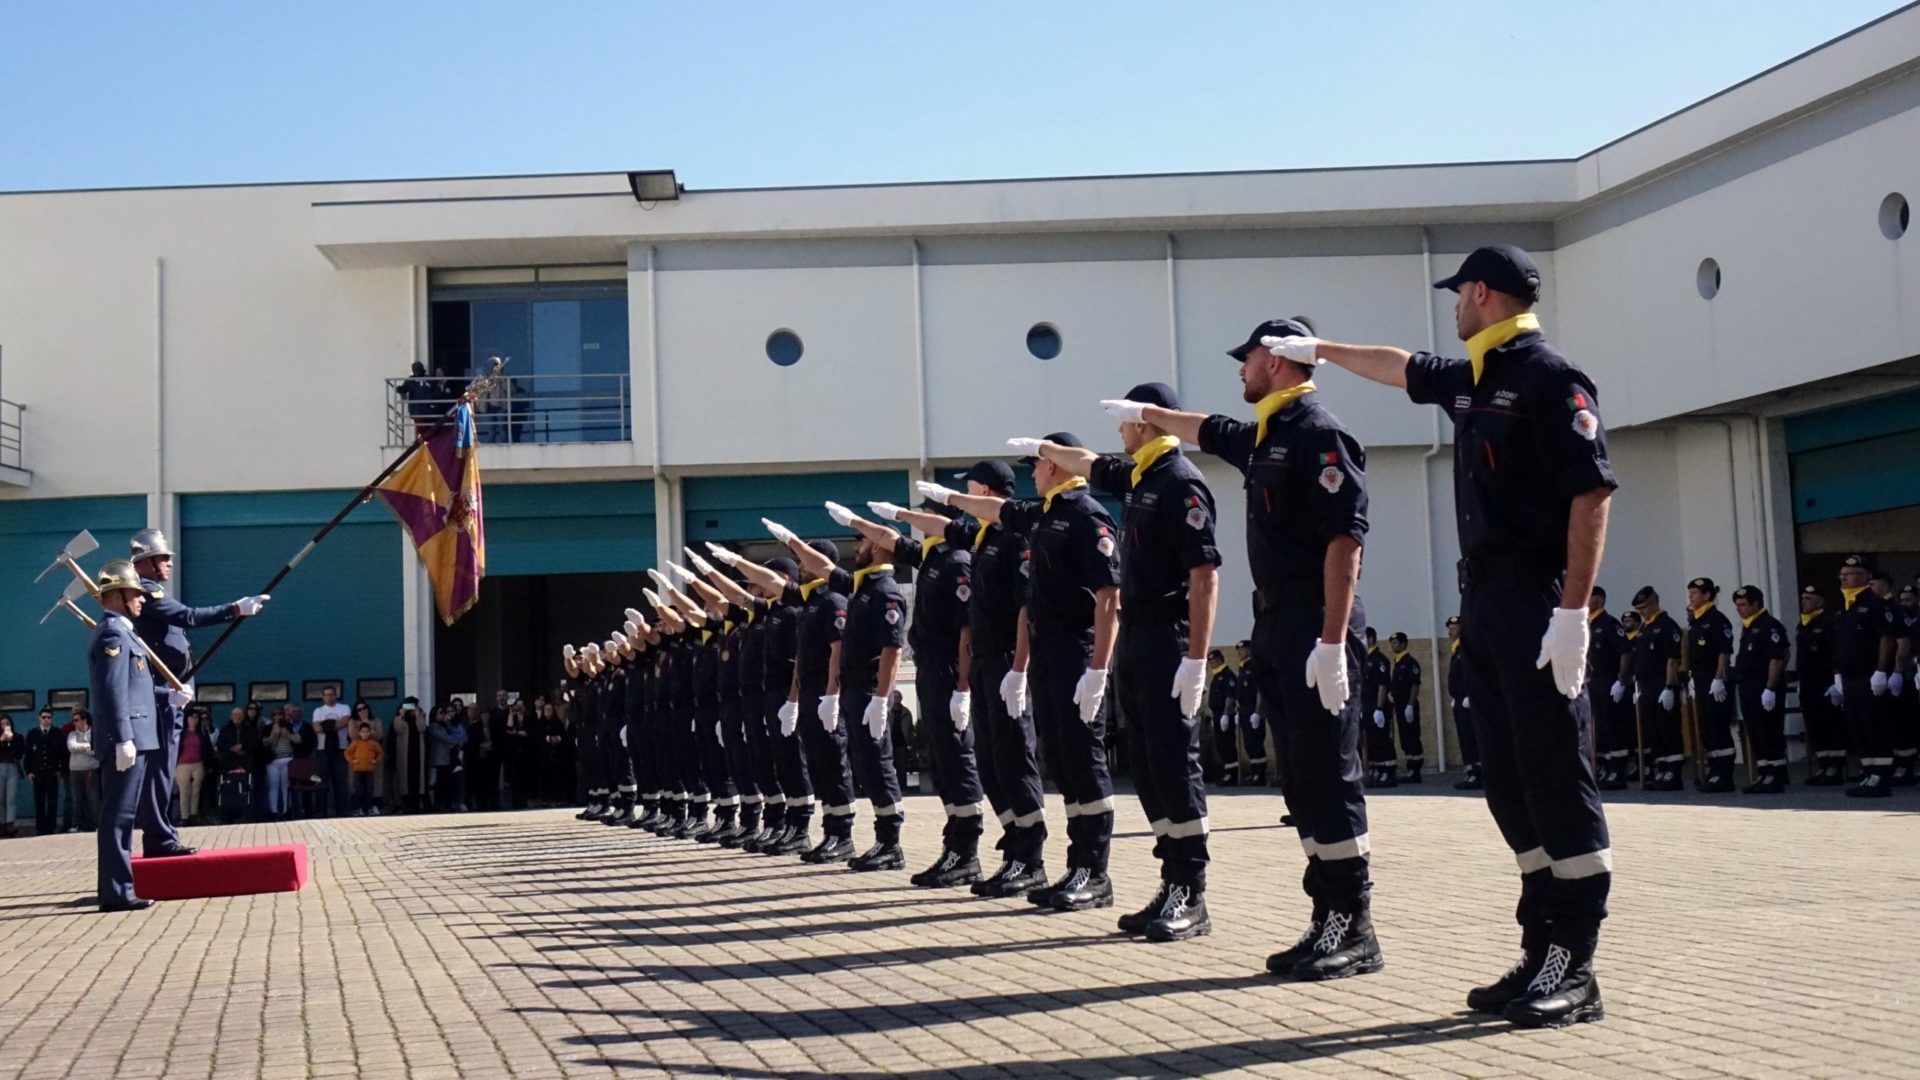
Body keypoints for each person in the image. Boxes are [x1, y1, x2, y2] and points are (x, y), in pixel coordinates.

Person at [1297, 244, 1615, 1025]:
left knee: (1553, 772)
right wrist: (1322, 350)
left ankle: (1576, 961)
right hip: (1485, 602)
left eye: (1459, 295)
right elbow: (1399, 365)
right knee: (1505, 777)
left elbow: (1591, 493)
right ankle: (1540, 946)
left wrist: (1573, 612)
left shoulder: (1550, 377)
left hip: (1537, 597)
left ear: (1481, 293)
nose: (1453, 307)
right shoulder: (1476, 375)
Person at [1116, 320, 1376, 977]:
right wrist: (1150, 415)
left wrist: (1331, 641)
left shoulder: (1319, 433)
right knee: (1301, 781)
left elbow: (1345, 541)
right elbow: (1204, 427)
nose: (1240, 369)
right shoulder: (1265, 435)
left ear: (1280, 359)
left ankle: (1353, 926)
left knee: (1329, 776)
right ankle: (1326, 916)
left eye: (1249, 358)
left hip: (1315, 622)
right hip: (1276, 624)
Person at [1029, 384, 1224, 939]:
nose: (1119, 430)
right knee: (1147, 766)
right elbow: (1087, 464)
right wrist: (1046, 448)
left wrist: (1197, 658)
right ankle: (1170, 881)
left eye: (1126, 420)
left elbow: (1204, 575)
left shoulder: (1181, 481)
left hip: (1167, 636)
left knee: (1174, 763)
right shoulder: (1142, 478)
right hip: (1138, 637)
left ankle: (1191, 892)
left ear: (1145, 421)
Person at [924, 430, 1123, 915]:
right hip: (1047, 652)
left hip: (1074, 649)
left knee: (1083, 758)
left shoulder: (1086, 514)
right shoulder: (1042, 516)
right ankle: (1074, 866)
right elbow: (995, 510)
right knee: (1061, 759)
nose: (1031, 474)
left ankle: (1093, 871)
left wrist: (1098, 669)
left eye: (1035, 464)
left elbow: (1108, 597)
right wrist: (949, 499)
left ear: (1052, 464)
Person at [885, 461, 1049, 900]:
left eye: (970, 488)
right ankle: (1012, 850)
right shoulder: (981, 538)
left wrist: (1017, 670)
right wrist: (893, 515)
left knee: (1014, 760)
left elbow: (1024, 608)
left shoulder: (1011, 537)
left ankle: (1030, 859)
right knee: (993, 764)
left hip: (1001, 662)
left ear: (986, 491)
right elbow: (935, 526)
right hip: (982, 663)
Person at [836, 498, 986, 887]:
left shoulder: (957, 561)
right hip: (931, 672)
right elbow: (889, 538)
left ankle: (967, 852)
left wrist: (963, 688)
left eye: (926, 515)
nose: (918, 522)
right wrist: (856, 521)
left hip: (949, 672)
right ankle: (954, 848)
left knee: (957, 760)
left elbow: (966, 632)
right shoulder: (932, 557)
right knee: (943, 763)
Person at [780, 518, 913, 872]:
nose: (858, 546)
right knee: (865, 765)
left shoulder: (884, 590)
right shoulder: (861, 585)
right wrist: (792, 541)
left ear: (880, 546)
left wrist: (882, 699)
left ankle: (890, 843)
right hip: (855, 689)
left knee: (878, 765)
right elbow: (822, 566)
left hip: (869, 689)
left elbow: (892, 649)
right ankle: (862, 838)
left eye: (864, 540)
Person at [128, 528, 267, 855]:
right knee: (160, 770)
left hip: (172, 694)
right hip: (161, 695)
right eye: (163, 558)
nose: (169, 563)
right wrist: (234, 609)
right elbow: (188, 617)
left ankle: (162, 836)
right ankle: (159, 840)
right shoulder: (147, 590)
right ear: (146, 562)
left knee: (164, 769)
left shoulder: (152, 590)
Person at [89, 559, 180, 911]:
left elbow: (136, 687)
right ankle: (117, 892)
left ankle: (119, 889)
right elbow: (112, 691)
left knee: (124, 818)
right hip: (126, 740)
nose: (142, 599)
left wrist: (168, 695)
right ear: (117, 596)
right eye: (136, 594)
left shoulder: (124, 631)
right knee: (118, 818)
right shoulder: (112, 633)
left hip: (137, 737)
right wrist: (123, 738)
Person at [1830, 555, 1898, 798]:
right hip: (1849, 676)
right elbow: (1839, 644)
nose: (1845, 578)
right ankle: (1869, 771)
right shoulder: (1844, 607)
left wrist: (1881, 671)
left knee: (1874, 724)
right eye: (1843, 574)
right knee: (1858, 726)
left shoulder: (1875, 604)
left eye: (1851, 574)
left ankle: (1881, 775)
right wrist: (1837, 674)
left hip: (1869, 674)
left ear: (1866, 576)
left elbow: (1887, 638)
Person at [1728, 586, 1791, 794]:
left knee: (1769, 729)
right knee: (1755, 731)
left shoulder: (1769, 625)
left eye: (1743, 605)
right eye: (1737, 605)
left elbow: (1779, 656)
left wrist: (1770, 687)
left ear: (1756, 604)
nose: (1739, 609)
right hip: (1748, 686)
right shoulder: (1750, 626)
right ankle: (1764, 772)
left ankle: (1776, 774)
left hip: (1763, 686)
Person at [1682, 578, 1737, 792]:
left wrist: (1719, 677)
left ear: (1707, 595)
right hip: (1701, 679)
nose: (1691, 597)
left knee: (1718, 725)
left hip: (1715, 680)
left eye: (1695, 593)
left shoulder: (1716, 619)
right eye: (1690, 594)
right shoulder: (1696, 621)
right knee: (1706, 727)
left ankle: (1724, 774)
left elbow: (1724, 651)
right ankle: (1714, 770)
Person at [1630, 587, 1685, 791]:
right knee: (1652, 730)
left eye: (1644, 607)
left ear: (1654, 604)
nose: (1641, 612)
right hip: (1646, 685)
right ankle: (1660, 767)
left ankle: (1673, 771)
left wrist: (1669, 687)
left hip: (1662, 683)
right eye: (1639, 609)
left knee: (1668, 727)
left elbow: (1673, 659)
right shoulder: (1644, 628)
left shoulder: (1666, 625)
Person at [1586, 590, 1632, 791]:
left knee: (1612, 725)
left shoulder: (1609, 623)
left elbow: (1625, 652)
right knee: (1598, 727)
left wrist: (1621, 679)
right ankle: (1604, 766)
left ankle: (1618, 769)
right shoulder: (1587, 623)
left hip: (1608, 679)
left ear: (1599, 600)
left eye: (1590, 596)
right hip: (1592, 680)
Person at [1447, 616, 1483, 791]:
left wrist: (1470, 695)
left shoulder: (1467, 648)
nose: (1450, 630)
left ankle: (1478, 772)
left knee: (1471, 736)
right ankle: (1470, 771)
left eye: (1454, 627)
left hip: (1468, 700)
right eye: (1449, 628)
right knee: (1464, 737)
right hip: (1459, 699)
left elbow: (1472, 673)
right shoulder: (1456, 649)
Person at [1385, 632, 1425, 784]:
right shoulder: (1398, 662)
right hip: (1399, 704)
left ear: (1403, 644)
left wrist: (1410, 705)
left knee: (1412, 736)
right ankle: (1410, 768)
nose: (1393, 646)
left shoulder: (1410, 662)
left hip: (1408, 705)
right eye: (1392, 643)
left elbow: (1415, 685)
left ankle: (1416, 770)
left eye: (1396, 643)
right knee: (1405, 738)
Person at [309, 686, 351, 818]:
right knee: (322, 781)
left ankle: (342, 812)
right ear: (323, 697)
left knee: (340, 782)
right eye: (326, 695)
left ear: (336, 695)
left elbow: (345, 722)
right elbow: (317, 728)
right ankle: (322, 812)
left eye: (332, 694)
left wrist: (326, 725)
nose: (329, 697)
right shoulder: (318, 711)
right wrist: (334, 724)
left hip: (340, 749)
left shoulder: (344, 708)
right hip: (323, 750)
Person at [1361, 629, 1396, 788]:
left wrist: (1380, 708)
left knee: (1382, 739)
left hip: (1377, 707)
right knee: (1372, 740)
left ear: (1371, 639)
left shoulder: (1379, 660)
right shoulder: (1364, 659)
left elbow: (1382, 685)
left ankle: (1388, 771)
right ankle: (1377, 769)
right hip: (1367, 706)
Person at [24, 708, 64, 836]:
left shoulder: (57, 733)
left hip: (52, 772)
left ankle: (51, 826)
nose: (46, 719)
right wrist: (28, 771)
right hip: (38, 773)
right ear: (39, 718)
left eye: (49, 717)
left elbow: (62, 753)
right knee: (39, 801)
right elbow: (28, 754)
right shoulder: (32, 734)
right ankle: (40, 827)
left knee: (52, 801)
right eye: (44, 717)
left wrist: (60, 769)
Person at [1205, 651, 1239, 785]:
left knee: (1227, 743)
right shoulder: (1217, 675)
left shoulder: (1227, 675)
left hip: (1225, 715)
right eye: (1210, 663)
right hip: (1217, 715)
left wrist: (1225, 714)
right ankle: (1227, 770)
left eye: (1213, 662)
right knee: (1221, 745)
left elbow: (1230, 697)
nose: (1211, 665)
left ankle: (1233, 774)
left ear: (1220, 660)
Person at [388, 698, 428, 813]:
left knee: (417, 777)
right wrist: (401, 715)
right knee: (405, 778)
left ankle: (417, 803)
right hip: (404, 753)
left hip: (417, 752)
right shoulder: (398, 718)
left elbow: (422, 728)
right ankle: (405, 803)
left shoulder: (420, 716)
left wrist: (418, 715)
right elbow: (399, 729)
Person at [175, 709, 213, 826]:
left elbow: (208, 749)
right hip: (182, 765)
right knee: (184, 791)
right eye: (191, 717)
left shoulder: (202, 732)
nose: (193, 720)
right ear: (186, 719)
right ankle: (184, 816)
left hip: (198, 764)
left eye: (196, 717)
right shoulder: (181, 733)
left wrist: (208, 764)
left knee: (196, 791)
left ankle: (193, 815)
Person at [264, 710, 298, 818]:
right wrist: (272, 735)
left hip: (287, 758)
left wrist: (287, 734)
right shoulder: (268, 728)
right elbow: (264, 743)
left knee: (286, 786)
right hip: (273, 760)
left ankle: (286, 810)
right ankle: (273, 811)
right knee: (273, 786)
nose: (278, 716)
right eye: (275, 714)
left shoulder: (290, 726)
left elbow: (298, 740)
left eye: (280, 714)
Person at [346, 722, 385, 815]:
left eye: (367, 731)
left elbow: (380, 753)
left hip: (369, 770)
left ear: (370, 733)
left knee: (369, 790)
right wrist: (352, 761)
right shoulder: (356, 743)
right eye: (363, 731)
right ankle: (358, 808)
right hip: (358, 770)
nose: (365, 734)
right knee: (358, 790)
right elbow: (347, 752)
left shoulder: (373, 743)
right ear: (359, 733)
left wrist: (376, 761)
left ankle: (369, 808)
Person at [0, 715, 24, 837]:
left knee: (11, 797)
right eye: (3, 724)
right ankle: (2, 824)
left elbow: (19, 754)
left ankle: (10, 823)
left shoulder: (18, 737)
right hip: (0, 766)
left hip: (13, 767)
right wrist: (1, 741)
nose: (5, 726)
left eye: (7, 723)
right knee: (0, 798)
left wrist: (11, 742)